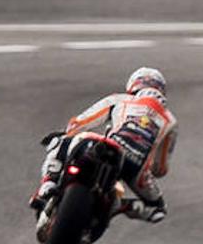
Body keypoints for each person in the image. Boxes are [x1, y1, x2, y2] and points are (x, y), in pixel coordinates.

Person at [30, 67, 177, 228]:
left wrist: (67, 133)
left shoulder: (120, 99)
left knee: (61, 141)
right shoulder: (170, 120)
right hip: (136, 168)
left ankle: (48, 183)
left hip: (106, 146)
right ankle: (123, 206)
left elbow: (79, 124)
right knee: (158, 209)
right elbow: (160, 169)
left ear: (133, 85)